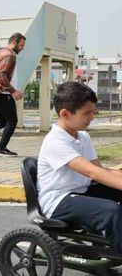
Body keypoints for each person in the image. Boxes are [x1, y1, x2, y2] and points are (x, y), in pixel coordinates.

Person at [37, 82, 122, 254]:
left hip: (81, 191)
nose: (92, 117)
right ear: (65, 114)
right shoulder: (55, 141)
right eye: (87, 113)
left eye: (93, 111)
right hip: (58, 201)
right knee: (110, 211)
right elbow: (92, 172)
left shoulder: (82, 136)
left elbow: (100, 169)